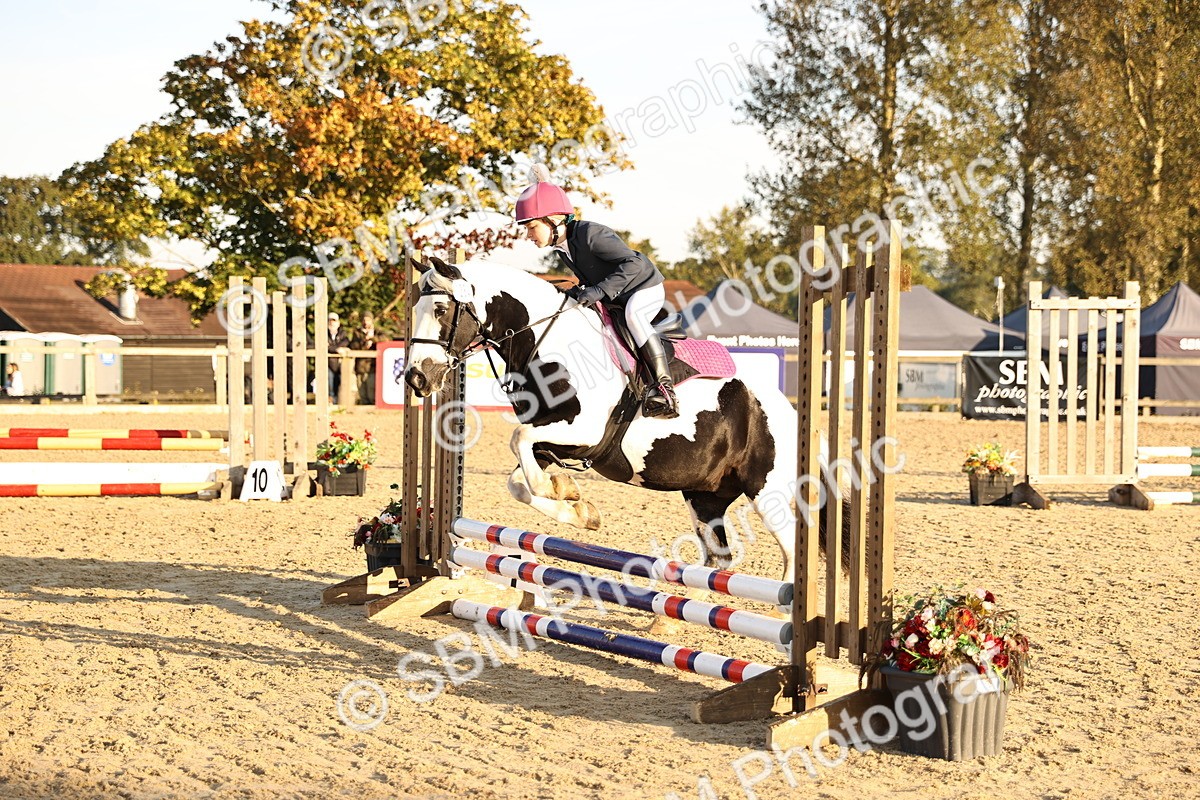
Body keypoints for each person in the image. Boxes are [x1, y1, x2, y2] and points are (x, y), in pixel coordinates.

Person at [515, 165, 678, 419]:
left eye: (531, 226)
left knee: (634, 316)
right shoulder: (563, 248)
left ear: (553, 220)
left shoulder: (591, 234)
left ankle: (664, 389)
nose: (528, 234)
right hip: (617, 294)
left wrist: (598, 290)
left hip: (644, 286)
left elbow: (633, 263)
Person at [350, 312, 378, 405]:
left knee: (371, 392)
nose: (366, 322)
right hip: (360, 367)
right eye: (364, 320)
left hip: (372, 367)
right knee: (362, 393)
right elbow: (353, 345)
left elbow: (387, 337)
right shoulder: (357, 332)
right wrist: (363, 341)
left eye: (368, 320)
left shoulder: (377, 331)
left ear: (372, 320)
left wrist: (372, 339)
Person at [327, 312, 351, 403]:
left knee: (342, 384)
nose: (332, 323)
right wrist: (337, 349)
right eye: (330, 321)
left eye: (334, 321)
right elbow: (323, 346)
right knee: (330, 385)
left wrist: (332, 348)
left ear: (338, 323)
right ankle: (332, 402)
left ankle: (341, 403)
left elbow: (346, 342)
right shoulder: (324, 334)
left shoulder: (343, 334)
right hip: (329, 364)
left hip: (341, 364)